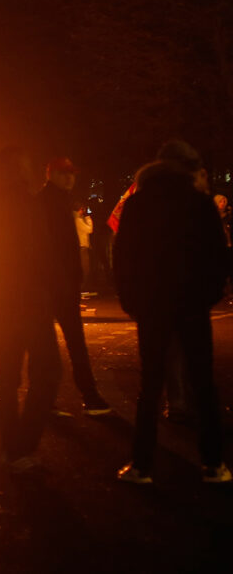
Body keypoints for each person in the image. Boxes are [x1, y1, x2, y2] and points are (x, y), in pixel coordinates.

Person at [113, 140, 230, 484]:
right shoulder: (200, 204)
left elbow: (123, 258)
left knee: (150, 384)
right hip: (192, 304)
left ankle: (142, 464)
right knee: (203, 384)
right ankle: (213, 463)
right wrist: (207, 296)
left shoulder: (138, 204)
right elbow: (217, 256)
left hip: (152, 305)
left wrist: (131, 300)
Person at [0, 148, 61, 472]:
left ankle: (13, 449)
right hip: (28, 300)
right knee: (48, 371)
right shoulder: (25, 203)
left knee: (9, 375)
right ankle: (22, 444)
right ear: (17, 169)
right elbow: (40, 252)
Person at [37, 157, 111, 416]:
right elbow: (52, 246)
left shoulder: (52, 200)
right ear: (51, 175)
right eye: (63, 174)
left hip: (56, 283)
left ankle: (53, 400)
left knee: (51, 344)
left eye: (71, 174)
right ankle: (88, 396)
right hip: (57, 284)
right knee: (68, 342)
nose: (69, 178)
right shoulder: (50, 201)